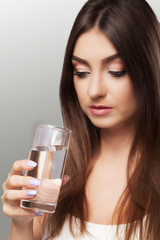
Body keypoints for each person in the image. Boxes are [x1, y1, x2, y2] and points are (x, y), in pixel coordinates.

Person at [2, 0, 160, 239]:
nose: (94, 90)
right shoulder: (56, 172)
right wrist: (21, 223)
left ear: (149, 69)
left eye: (116, 71)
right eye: (81, 72)